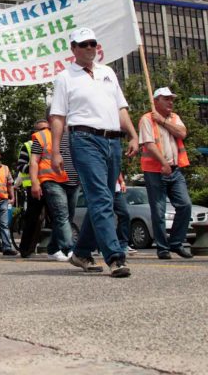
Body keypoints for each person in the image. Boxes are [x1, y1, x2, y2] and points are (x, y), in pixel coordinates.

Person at [50, 27, 138, 278]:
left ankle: (81, 252)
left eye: (93, 43)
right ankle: (115, 257)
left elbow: (121, 107)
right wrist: (56, 152)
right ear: (73, 49)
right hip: (84, 139)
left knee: (105, 199)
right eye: (84, 44)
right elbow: (57, 116)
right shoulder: (65, 77)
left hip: (112, 141)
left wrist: (132, 134)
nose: (90, 48)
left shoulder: (108, 72)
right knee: (100, 198)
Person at [138, 87, 193, 259]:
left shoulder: (173, 118)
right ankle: (162, 248)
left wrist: (162, 121)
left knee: (185, 205)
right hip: (155, 171)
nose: (171, 102)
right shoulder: (146, 119)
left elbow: (182, 133)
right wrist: (163, 163)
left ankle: (176, 242)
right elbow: (149, 144)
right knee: (159, 211)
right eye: (166, 98)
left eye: (171, 99)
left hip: (175, 170)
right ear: (156, 101)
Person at [29, 122, 78, 261]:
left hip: (74, 181)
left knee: (66, 218)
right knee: (62, 215)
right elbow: (34, 161)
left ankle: (53, 249)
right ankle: (70, 249)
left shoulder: (74, 134)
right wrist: (34, 182)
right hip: (51, 180)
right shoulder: (41, 136)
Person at [16, 120, 49, 258]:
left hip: (50, 183)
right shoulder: (28, 146)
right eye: (42, 129)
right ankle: (26, 249)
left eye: (48, 128)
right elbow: (20, 166)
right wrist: (36, 171)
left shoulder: (53, 143)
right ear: (34, 133)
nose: (46, 132)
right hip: (33, 186)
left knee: (56, 217)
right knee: (34, 218)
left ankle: (56, 248)